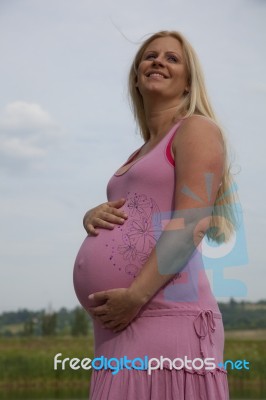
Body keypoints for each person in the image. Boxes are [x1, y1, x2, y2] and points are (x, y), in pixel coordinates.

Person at [73, 30, 237, 399]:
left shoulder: (197, 129)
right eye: (150, 56)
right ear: (136, 76)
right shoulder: (136, 154)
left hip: (164, 314)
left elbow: (191, 222)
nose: (158, 61)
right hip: (120, 325)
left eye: (172, 58)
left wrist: (135, 296)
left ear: (187, 82)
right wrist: (93, 215)